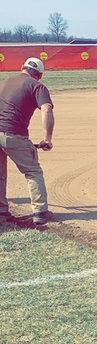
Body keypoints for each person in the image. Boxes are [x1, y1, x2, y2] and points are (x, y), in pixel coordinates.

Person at [0, 57, 55, 225]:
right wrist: (47, 138)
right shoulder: (37, 86)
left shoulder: (6, 81)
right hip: (13, 133)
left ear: (22, 67)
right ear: (39, 74)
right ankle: (40, 212)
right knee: (33, 171)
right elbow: (46, 109)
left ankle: (1, 212)